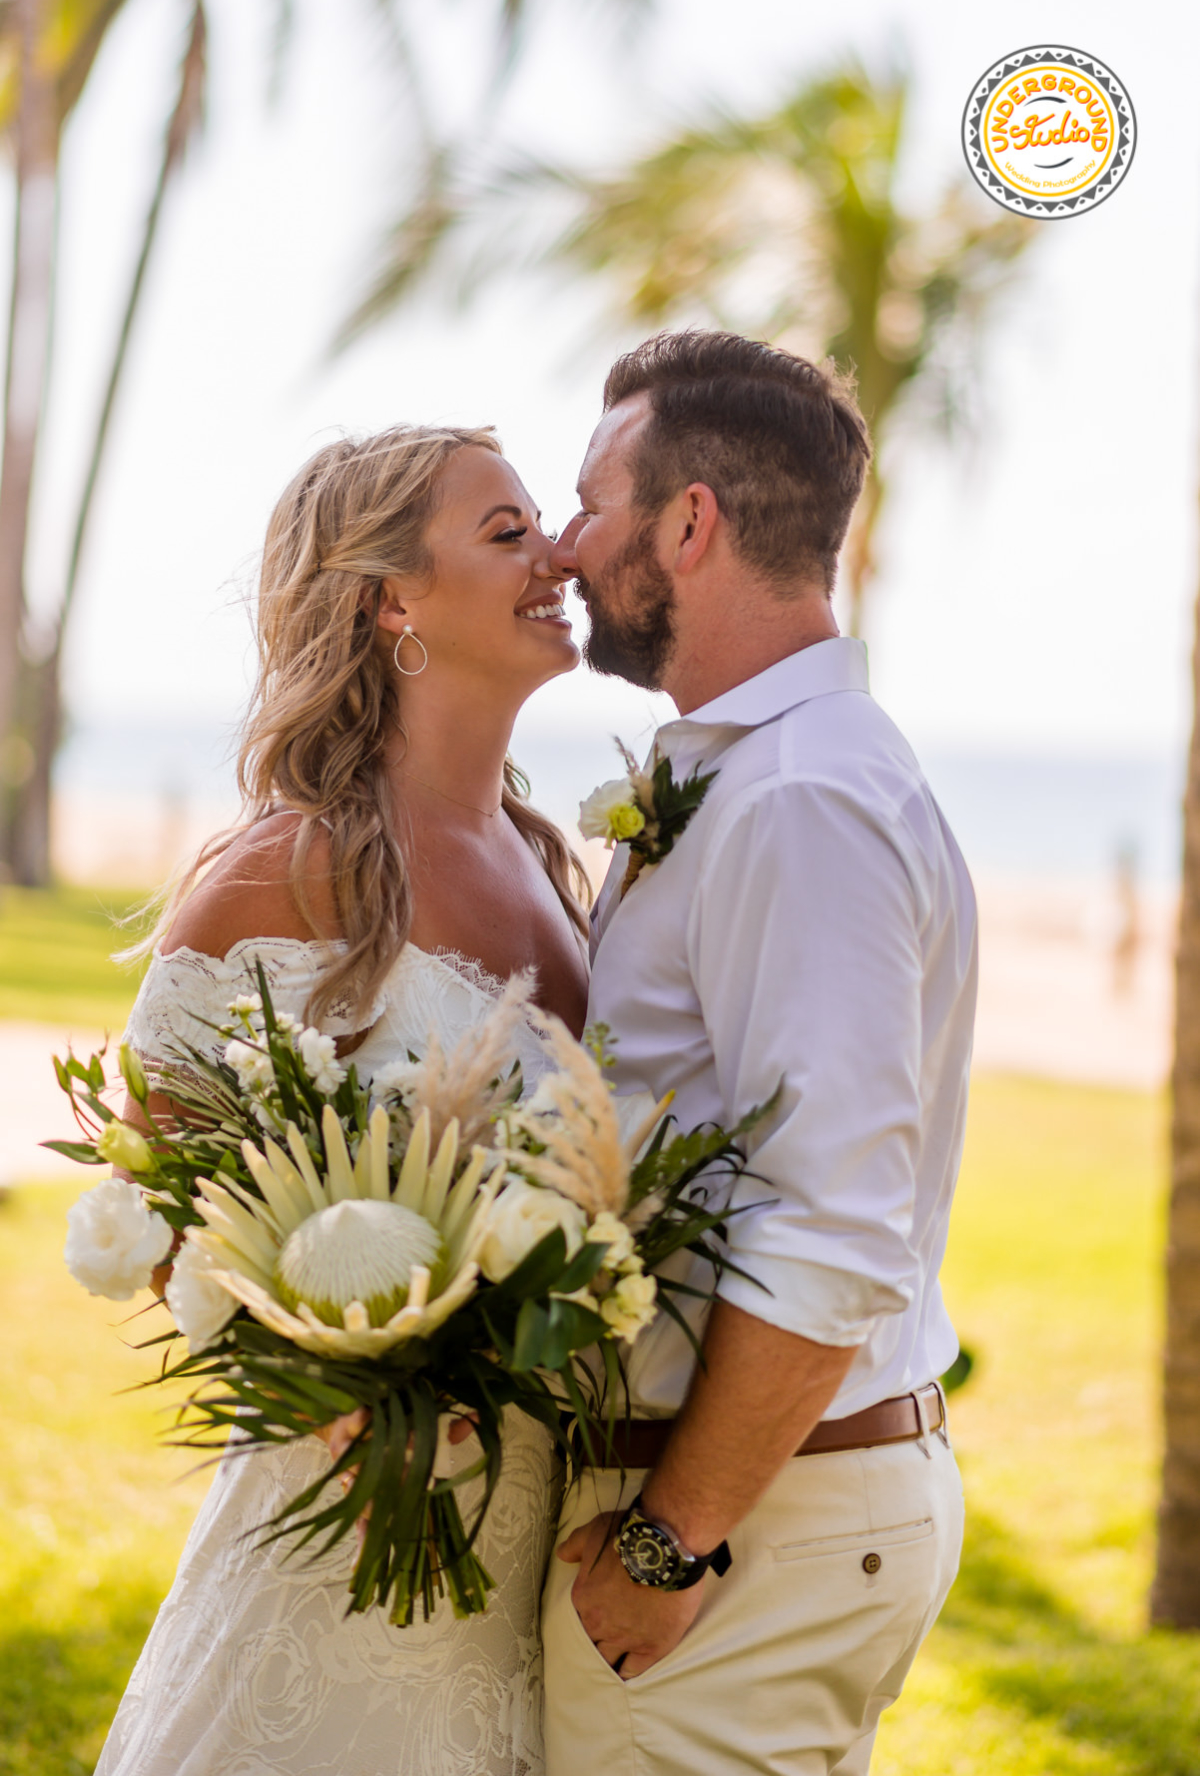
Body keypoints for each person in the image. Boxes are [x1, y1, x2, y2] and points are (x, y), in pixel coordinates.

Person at [96, 424, 590, 1776]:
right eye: (507, 532)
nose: (556, 555)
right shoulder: (282, 871)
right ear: (391, 601)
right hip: (345, 1528)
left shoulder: (558, 869)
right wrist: (340, 1389)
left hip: (531, 1533)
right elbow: (160, 1202)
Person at [540, 330, 977, 1776]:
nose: (562, 541)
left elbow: (837, 1227)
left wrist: (671, 1541)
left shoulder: (800, 800)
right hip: (778, 1517)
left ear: (690, 521)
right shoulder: (768, 774)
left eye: (592, 499)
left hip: (750, 1536)